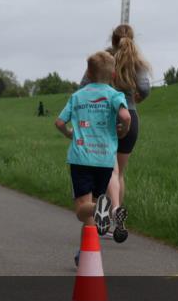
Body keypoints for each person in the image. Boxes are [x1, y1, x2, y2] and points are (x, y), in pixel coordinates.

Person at [55, 51, 131, 266]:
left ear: (88, 72)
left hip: (81, 157)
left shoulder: (78, 96)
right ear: (114, 74)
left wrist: (70, 134)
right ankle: (85, 253)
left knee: (82, 210)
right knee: (96, 206)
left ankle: (111, 212)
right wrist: (125, 129)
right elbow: (125, 116)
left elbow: (59, 123)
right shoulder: (115, 95)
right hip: (105, 159)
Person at [79, 24, 152, 243]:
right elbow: (145, 89)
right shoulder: (137, 61)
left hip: (105, 117)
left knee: (108, 170)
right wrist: (134, 98)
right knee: (119, 174)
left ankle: (111, 213)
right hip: (130, 115)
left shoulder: (102, 58)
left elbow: (83, 85)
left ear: (112, 39)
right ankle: (117, 220)